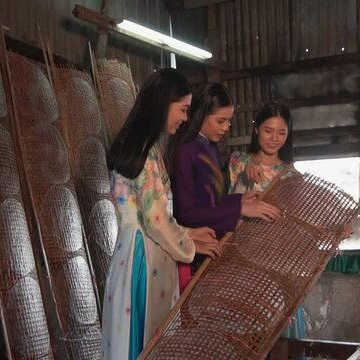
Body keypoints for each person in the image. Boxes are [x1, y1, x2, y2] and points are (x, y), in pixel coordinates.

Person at [102, 69, 222, 360]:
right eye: (182, 109)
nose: (184, 118)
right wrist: (190, 247)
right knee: (144, 343)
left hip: (133, 252)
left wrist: (189, 233)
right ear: (163, 103)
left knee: (133, 341)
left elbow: (148, 214)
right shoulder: (146, 153)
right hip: (143, 260)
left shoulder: (141, 147)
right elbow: (155, 222)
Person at [167, 83, 282, 292]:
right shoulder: (186, 152)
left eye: (228, 121)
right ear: (201, 115)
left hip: (212, 248)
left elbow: (210, 201)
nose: (226, 127)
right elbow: (185, 212)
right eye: (221, 121)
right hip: (197, 250)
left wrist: (239, 200)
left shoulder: (209, 147)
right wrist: (240, 209)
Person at [227, 102, 306, 348]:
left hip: (280, 261)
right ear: (255, 130)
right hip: (243, 258)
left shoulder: (292, 174)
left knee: (280, 336)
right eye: (268, 130)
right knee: (246, 335)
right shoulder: (239, 162)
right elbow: (227, 207)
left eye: (281, 132)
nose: (274, 138)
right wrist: (245, 176)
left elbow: (297, 222)